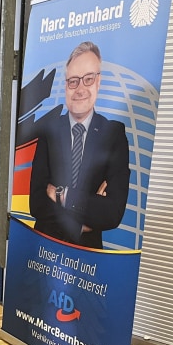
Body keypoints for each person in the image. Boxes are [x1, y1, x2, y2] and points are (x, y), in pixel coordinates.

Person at [29, 41, 130, 249]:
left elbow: (112, 213)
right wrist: (84, 216)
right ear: (65, 86)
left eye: (88, 79)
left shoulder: (114, 134)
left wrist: (60, 194)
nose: (80, 89)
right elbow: (37, 203)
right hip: (43, 251)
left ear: (98, 82)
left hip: (88, 262)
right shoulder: (48, 131)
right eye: (73, 81)